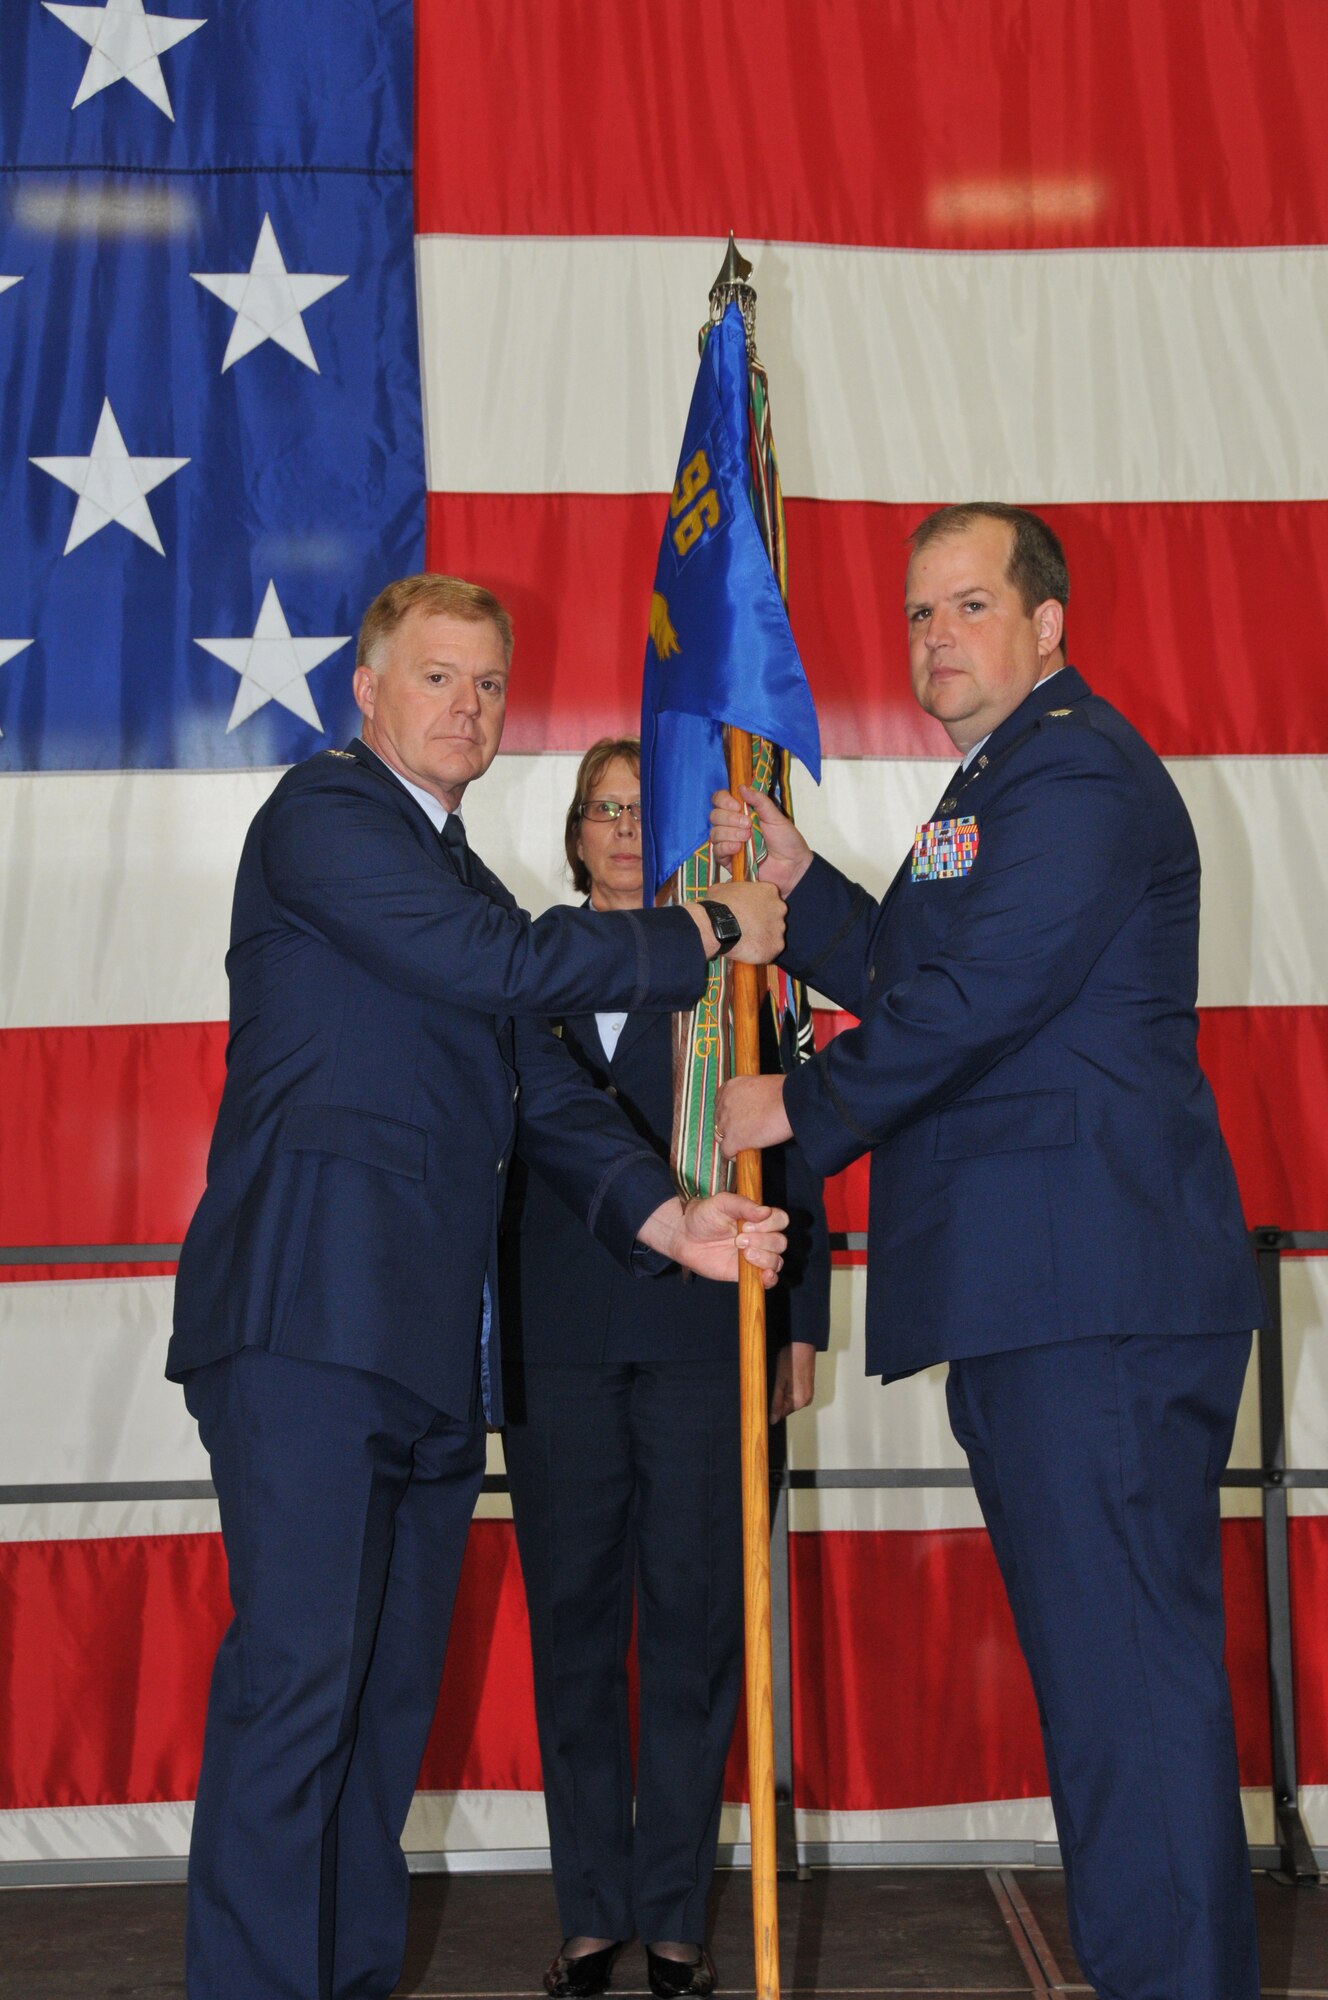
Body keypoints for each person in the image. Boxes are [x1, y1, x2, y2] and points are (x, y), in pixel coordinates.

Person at [167, 573, 791, 2000]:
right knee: (298, 1702)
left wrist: (670, 1218)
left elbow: (544, 1085)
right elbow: (498, 969)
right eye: (438, 677)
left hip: (428, 1352)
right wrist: (703, 929)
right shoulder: (327, 815)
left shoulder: (457, 872)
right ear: (366, 692)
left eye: (491, 683)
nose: (468, 705)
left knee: (382, 1722)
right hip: (309, 1326)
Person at [710, 506, 1265, 2000]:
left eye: (969, 605)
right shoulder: (1004, 776)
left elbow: (980, 1002)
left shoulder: (1075, 765)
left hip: (1096, 1293)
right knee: (1103, 1691)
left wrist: (791, 1105)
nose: (936, 637)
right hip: (1045, 1293)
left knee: (1127, 1692)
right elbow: (924, 964)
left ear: (1048, 623)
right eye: (917, 614)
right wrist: (801, 884)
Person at [501, 739, 831, 2000]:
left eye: (649, 811)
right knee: (573, 1626)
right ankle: (593, 1914)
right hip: (559, 1343)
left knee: (696, 1628)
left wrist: (795, 1319)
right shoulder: (520, 956)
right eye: (608, 810)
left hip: (712, 1336)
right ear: (576, 832)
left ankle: (678, 1922)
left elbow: (784, 1134)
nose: (628, 830)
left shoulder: (740, 961)